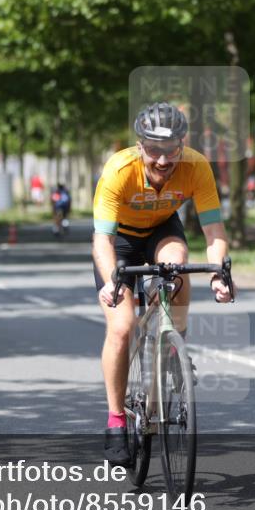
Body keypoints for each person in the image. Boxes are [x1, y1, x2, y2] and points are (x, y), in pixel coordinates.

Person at [93, 102, 234, 466]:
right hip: (120, 241)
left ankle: (173, 343)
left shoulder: (196, 167)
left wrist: (218, 274)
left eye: (171, 150)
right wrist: (111, 282)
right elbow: (102, 240)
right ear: (140, 145)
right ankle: (116, 419)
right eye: (153, 150)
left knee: (176, 265)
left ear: (182, 144)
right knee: (122, 327)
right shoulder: (119, 170)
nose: (162, 159)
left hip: (161, 230)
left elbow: (214, 231)